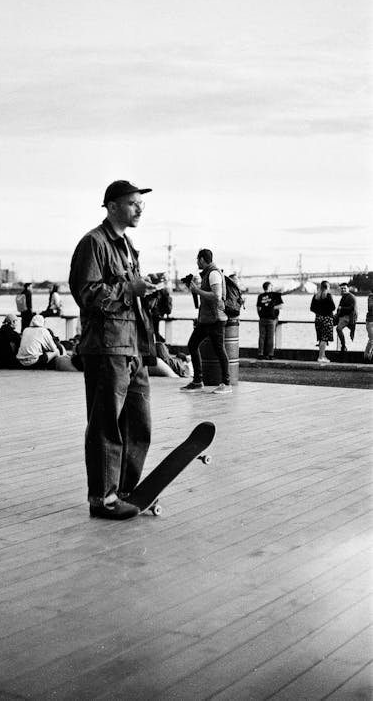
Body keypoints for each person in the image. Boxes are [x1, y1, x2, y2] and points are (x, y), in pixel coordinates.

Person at [69, 179, 158, 520]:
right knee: (106, 423)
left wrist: (144, 290)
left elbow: (127, 291)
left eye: (141, 204)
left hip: (132, 345)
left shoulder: (126, 245)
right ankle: (102, 498)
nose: (140, 209)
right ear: (112, 205)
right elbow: (87, 293)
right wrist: (129, 289)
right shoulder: (94, 243)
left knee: (139, 423)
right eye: (134, 203)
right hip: (107, 347)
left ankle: (123, 490)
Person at [180, 249, 232, 394]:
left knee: (219, 350)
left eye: (197, 259)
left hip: (216, 319)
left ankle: (226, 384)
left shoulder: (214, 274)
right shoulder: (206, 275)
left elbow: (216, 296)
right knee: (192, 345)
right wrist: (195, 291)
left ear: (202, 259)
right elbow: (203, 299)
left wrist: (198, 291)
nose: (197, 262)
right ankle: (197, 381)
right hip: (205, 319)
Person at [256, 281, 283, 360]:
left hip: (262, 319)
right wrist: (272, 308)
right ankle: (270, 354)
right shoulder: (274, 295)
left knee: (262, 337)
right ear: (270, 287)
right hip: (271, 319)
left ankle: (260, 354)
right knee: (270, 337)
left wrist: (260, 315)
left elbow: (258, 308)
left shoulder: (260, 296)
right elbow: (281, 306)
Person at [310, 281, 335, 363]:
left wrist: (319, 312)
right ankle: (320, 357)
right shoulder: (328, 295)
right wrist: (325, 312)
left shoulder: (316, 296)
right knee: (324, 339)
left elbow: (312, 308)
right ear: (328, 287)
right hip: (327, 319)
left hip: (318, 319)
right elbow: (333, 307)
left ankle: (323, 355)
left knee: (321, 338)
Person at [336, 282, 358, 353]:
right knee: (329, 320)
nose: (343, 290)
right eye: (342, 289)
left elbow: (352, 308)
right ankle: (324, 340)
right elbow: (339, 308)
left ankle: (343, 345)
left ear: (348, 289)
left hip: (349, 317)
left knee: (338, 328)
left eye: (345, 288)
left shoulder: (351, 297)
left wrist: (341, 308)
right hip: (342, 316)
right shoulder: (343, 297)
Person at [365, 288, 373, 362]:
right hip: (370, 321)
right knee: (371, 340)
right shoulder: (371, 297)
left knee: (371, 340)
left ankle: (367, 357)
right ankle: (368, 357)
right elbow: (370, 307)